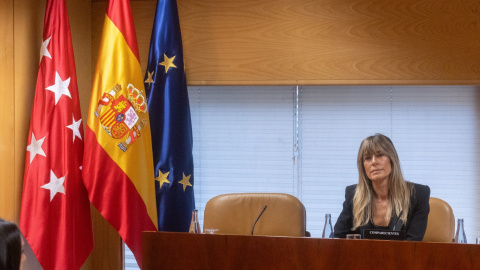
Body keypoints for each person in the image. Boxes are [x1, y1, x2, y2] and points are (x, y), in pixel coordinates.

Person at [334, 134, 430, 241]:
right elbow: (338, 238)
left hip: (402, 257)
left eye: (380, 155)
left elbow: (413, 245)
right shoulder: (353, 195)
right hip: (361, 257)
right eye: (367, 158)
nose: (374, 162)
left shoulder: (418, 195)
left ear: (392, 160)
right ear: (363, 166)